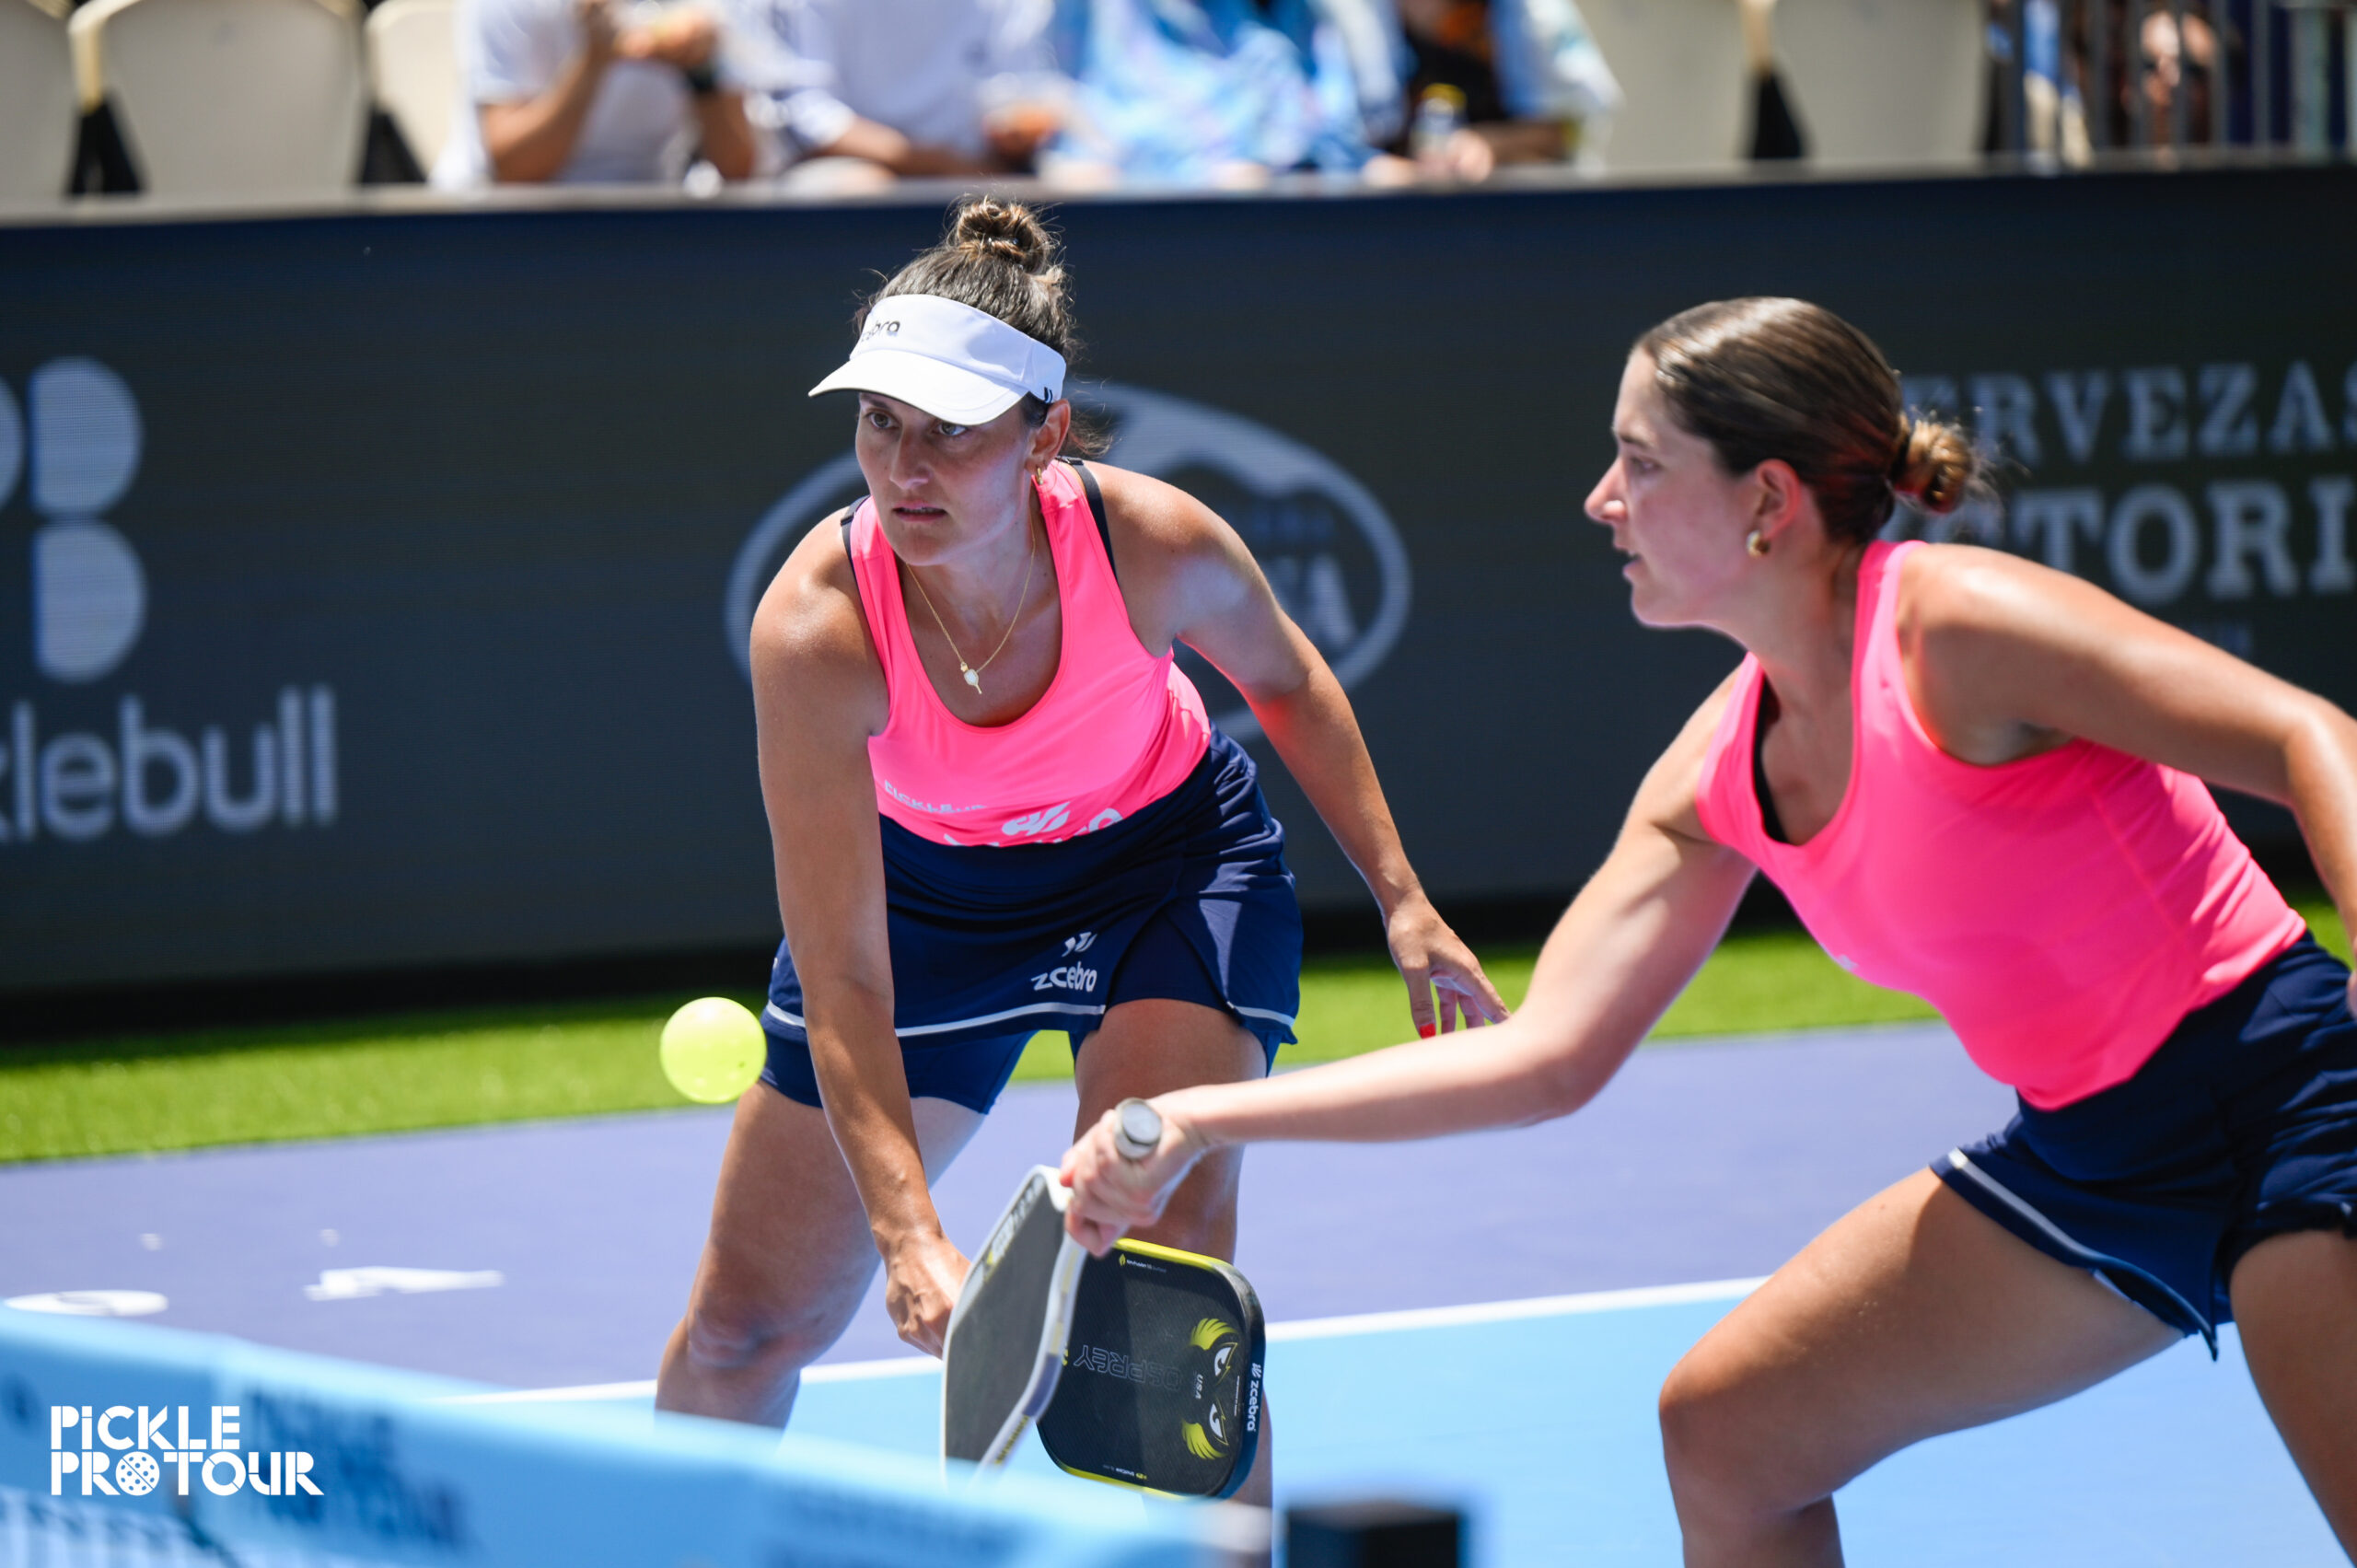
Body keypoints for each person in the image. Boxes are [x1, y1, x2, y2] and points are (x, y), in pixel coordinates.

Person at [1061, 297, 2357, 1562]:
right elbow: (1544, 1054)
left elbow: (2314, 741)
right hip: (2094, 1156)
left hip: (2293, 1096)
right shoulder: (1717, 773)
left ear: (1766, 502)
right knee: (1730, 1432)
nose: (1599, 498)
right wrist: (1194, 1118)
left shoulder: (1955, 627)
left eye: (1639, 461)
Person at [654, 199, 1505, 1505]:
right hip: (927, 908)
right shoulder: (817, 628)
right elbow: (844, 972)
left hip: (1165, 874)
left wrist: (1405, 900)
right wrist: (909, 1234)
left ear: (1045, 431)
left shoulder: (1153, 542)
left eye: (953, 429)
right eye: (881, 418)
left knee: (1159, 1301)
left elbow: (1289, 683)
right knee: (744, 1329)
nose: (905, 465)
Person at [435, 0, 762, 187]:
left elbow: (737, 168)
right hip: (500, 229)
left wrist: (702, 71)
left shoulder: (705, 11)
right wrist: (594, 61)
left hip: (643, 228)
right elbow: (516, 169)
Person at [744, 0, 1067, 181]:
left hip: (986, 168)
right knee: (861, 188)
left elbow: (1024, 97)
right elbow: (806, 118)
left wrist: (1018, 131)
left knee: (1087, 183)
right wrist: (940, 165)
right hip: (859, 168)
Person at [1387, 0, 1620, 179]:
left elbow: (1572, 130)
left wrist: (1489, 145)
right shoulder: (1366, 16)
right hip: (1405, 214)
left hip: (1524, 213)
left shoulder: (1530, 12)